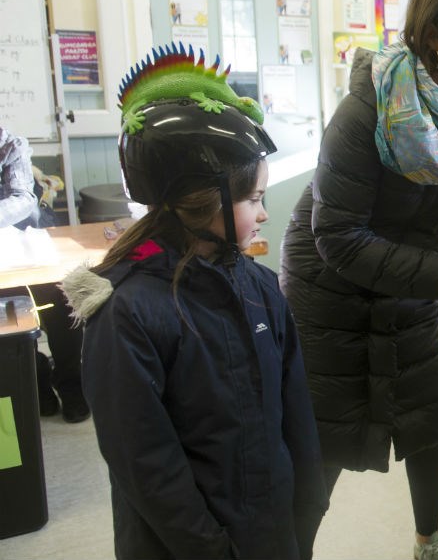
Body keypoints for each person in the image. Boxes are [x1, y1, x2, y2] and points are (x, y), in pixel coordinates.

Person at [279, 0, 438, 560]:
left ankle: (427, 538)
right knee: (328, 436)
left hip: (411, 267)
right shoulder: (367, 112)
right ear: (433, 33)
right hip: (330, 282)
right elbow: (337, 235)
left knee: (425, 417)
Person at [60, 44, 327, 559]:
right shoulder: (127, 313)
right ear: (201, 200)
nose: (265, 214)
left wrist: (307, 505)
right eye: (253, 199)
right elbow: (147, 467)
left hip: (271, 533)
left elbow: (295, 410)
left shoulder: (259, 287)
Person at [1, 125, 90, 423]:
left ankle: (70, 384)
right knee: (12, 322)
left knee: (62, 303)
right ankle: (37, 378)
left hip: (26, 240)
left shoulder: (11, 144)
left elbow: (23, 197)